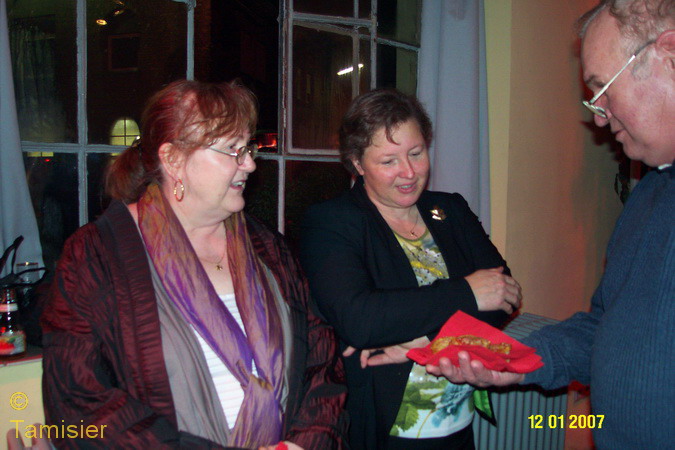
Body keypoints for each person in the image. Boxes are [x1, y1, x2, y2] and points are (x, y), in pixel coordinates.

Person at [41, 80, 348, 449]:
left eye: (248, 148)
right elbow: (76, 402)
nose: (250, 164)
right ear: (173, 159)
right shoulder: (96, 256)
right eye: (232, 150)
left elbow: (321, 363)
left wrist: (302, 444)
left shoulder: (269, 248)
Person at [430, 1, 674, 448]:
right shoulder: (649, 196)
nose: (598, 116)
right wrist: (513, 359)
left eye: (602, 89)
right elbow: (603, 328)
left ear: (669, 55)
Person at [299, 89, 522, 449]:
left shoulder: (451, 210)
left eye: (416, 153)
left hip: (456, 422)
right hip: (385, 429)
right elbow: (360, 319)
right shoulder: (332, 222)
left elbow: (503, 295)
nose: (409, 172)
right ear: (357, 163)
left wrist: (427, 342)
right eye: (388, 161)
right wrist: (467, 292)